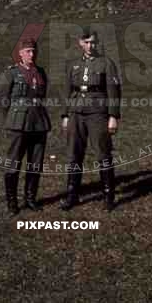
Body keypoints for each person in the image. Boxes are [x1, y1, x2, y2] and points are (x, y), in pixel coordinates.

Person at [60, 27, 122, 212]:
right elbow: (67, 90)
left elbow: (114, 91)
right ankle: (72, 195)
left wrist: (113, 116)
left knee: (103, 153)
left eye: (93, 42)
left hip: (97, 112)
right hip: (76, 112)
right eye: (86, 42)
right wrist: (65, 115)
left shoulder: (106, 63)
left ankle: (108, 195)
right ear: (80, 43)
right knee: (74, 154)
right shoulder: (73, 64)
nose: (90, 45)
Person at [0, 37, 51, 216]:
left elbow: (42, 96)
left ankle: (30, 199)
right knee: (13, 164)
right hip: (17, 123)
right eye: (28, 51)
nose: (32, 54)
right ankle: (12, 201)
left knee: (35, 164)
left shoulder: (41, 72)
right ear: (20, 53)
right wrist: (10, 120)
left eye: (34, 51)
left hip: (39, 123)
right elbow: (2, 100)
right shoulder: (11, 73)